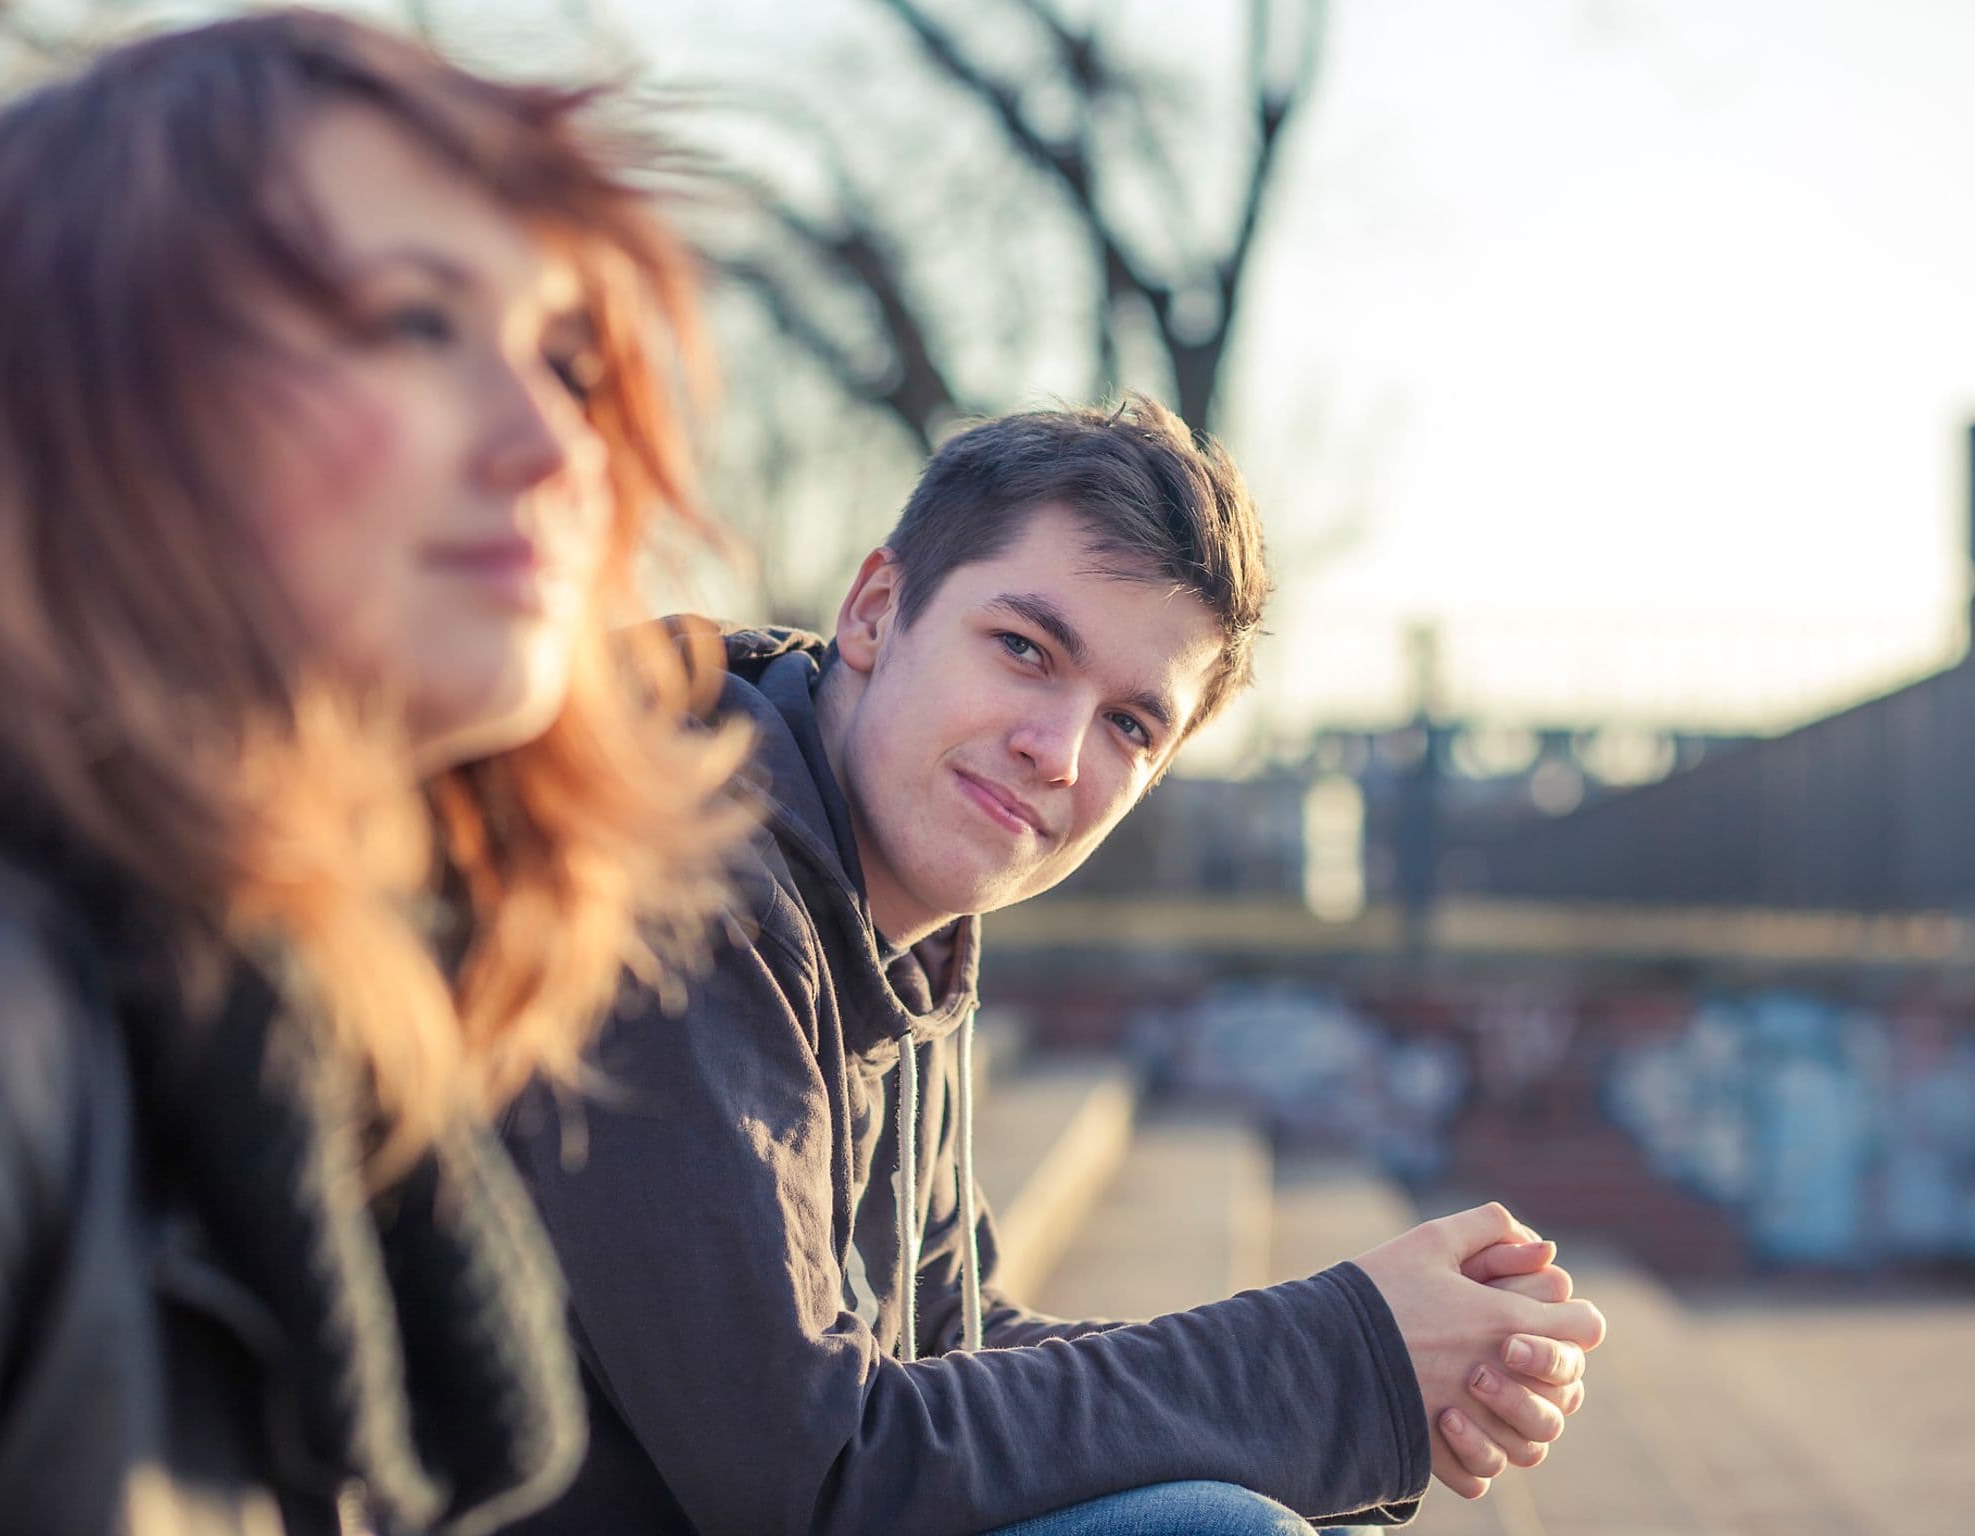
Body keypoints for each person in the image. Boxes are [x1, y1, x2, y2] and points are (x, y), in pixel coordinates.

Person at [505, 397, 1606, 1535]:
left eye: (1131, 725)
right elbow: (812, 1465)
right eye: (1025, 650)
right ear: (879, 611)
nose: (1056, 752)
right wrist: (1333, 1360)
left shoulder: (899, 932)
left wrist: (1382, 1383)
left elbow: (949, 1347)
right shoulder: (676, 884)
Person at [0, 10, 745, 1534]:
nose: (551, 448)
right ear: (79, 390)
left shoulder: (336, 1027)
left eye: (567, 364)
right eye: (416, 323)